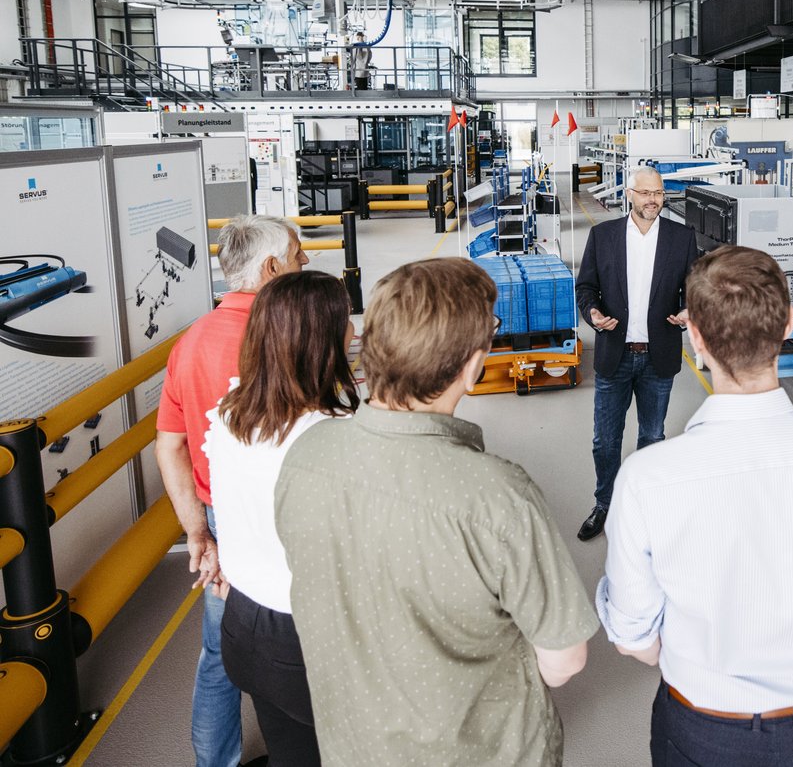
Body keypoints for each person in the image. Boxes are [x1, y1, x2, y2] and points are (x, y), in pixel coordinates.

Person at [274, 258, 598, 767]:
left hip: (350, 746)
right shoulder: (497, 496)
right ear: (471, 366)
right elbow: (563, 658)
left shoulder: (307, 455)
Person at [596, 246, 793, 767]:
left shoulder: (646, 479)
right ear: (789, 323)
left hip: (700, 729)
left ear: (694, 335)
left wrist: (704, 659)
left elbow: (633, 636)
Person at [156, 213, 305, 767]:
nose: (304, 264)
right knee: (301, 639)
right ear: (271, 268)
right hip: (283, 513)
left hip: (221, 517)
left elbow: (169, 447)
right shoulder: (283, 340)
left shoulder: (189, 342)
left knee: (219, 652)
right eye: (297, 255)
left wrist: (199, 530)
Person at [206, 271, 359, 766]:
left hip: (243, 626)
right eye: (345, 322)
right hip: (305, 641)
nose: (354, 332)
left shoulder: (229, 415)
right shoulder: (333, 438)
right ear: (321, 341)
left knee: (291, 752)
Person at [573, 165, 700, 541]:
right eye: (645, 193)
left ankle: (646, 506)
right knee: (605, 440)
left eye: (658, 193)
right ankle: (604, 504)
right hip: (615, 353)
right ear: (629, 193)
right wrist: (593, 314)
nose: (652, 200)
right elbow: (586, 288)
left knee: (652, 438)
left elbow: (694, 287)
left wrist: (689, 309)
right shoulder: (603, 236)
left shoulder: (681, 237)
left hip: (658, 354)